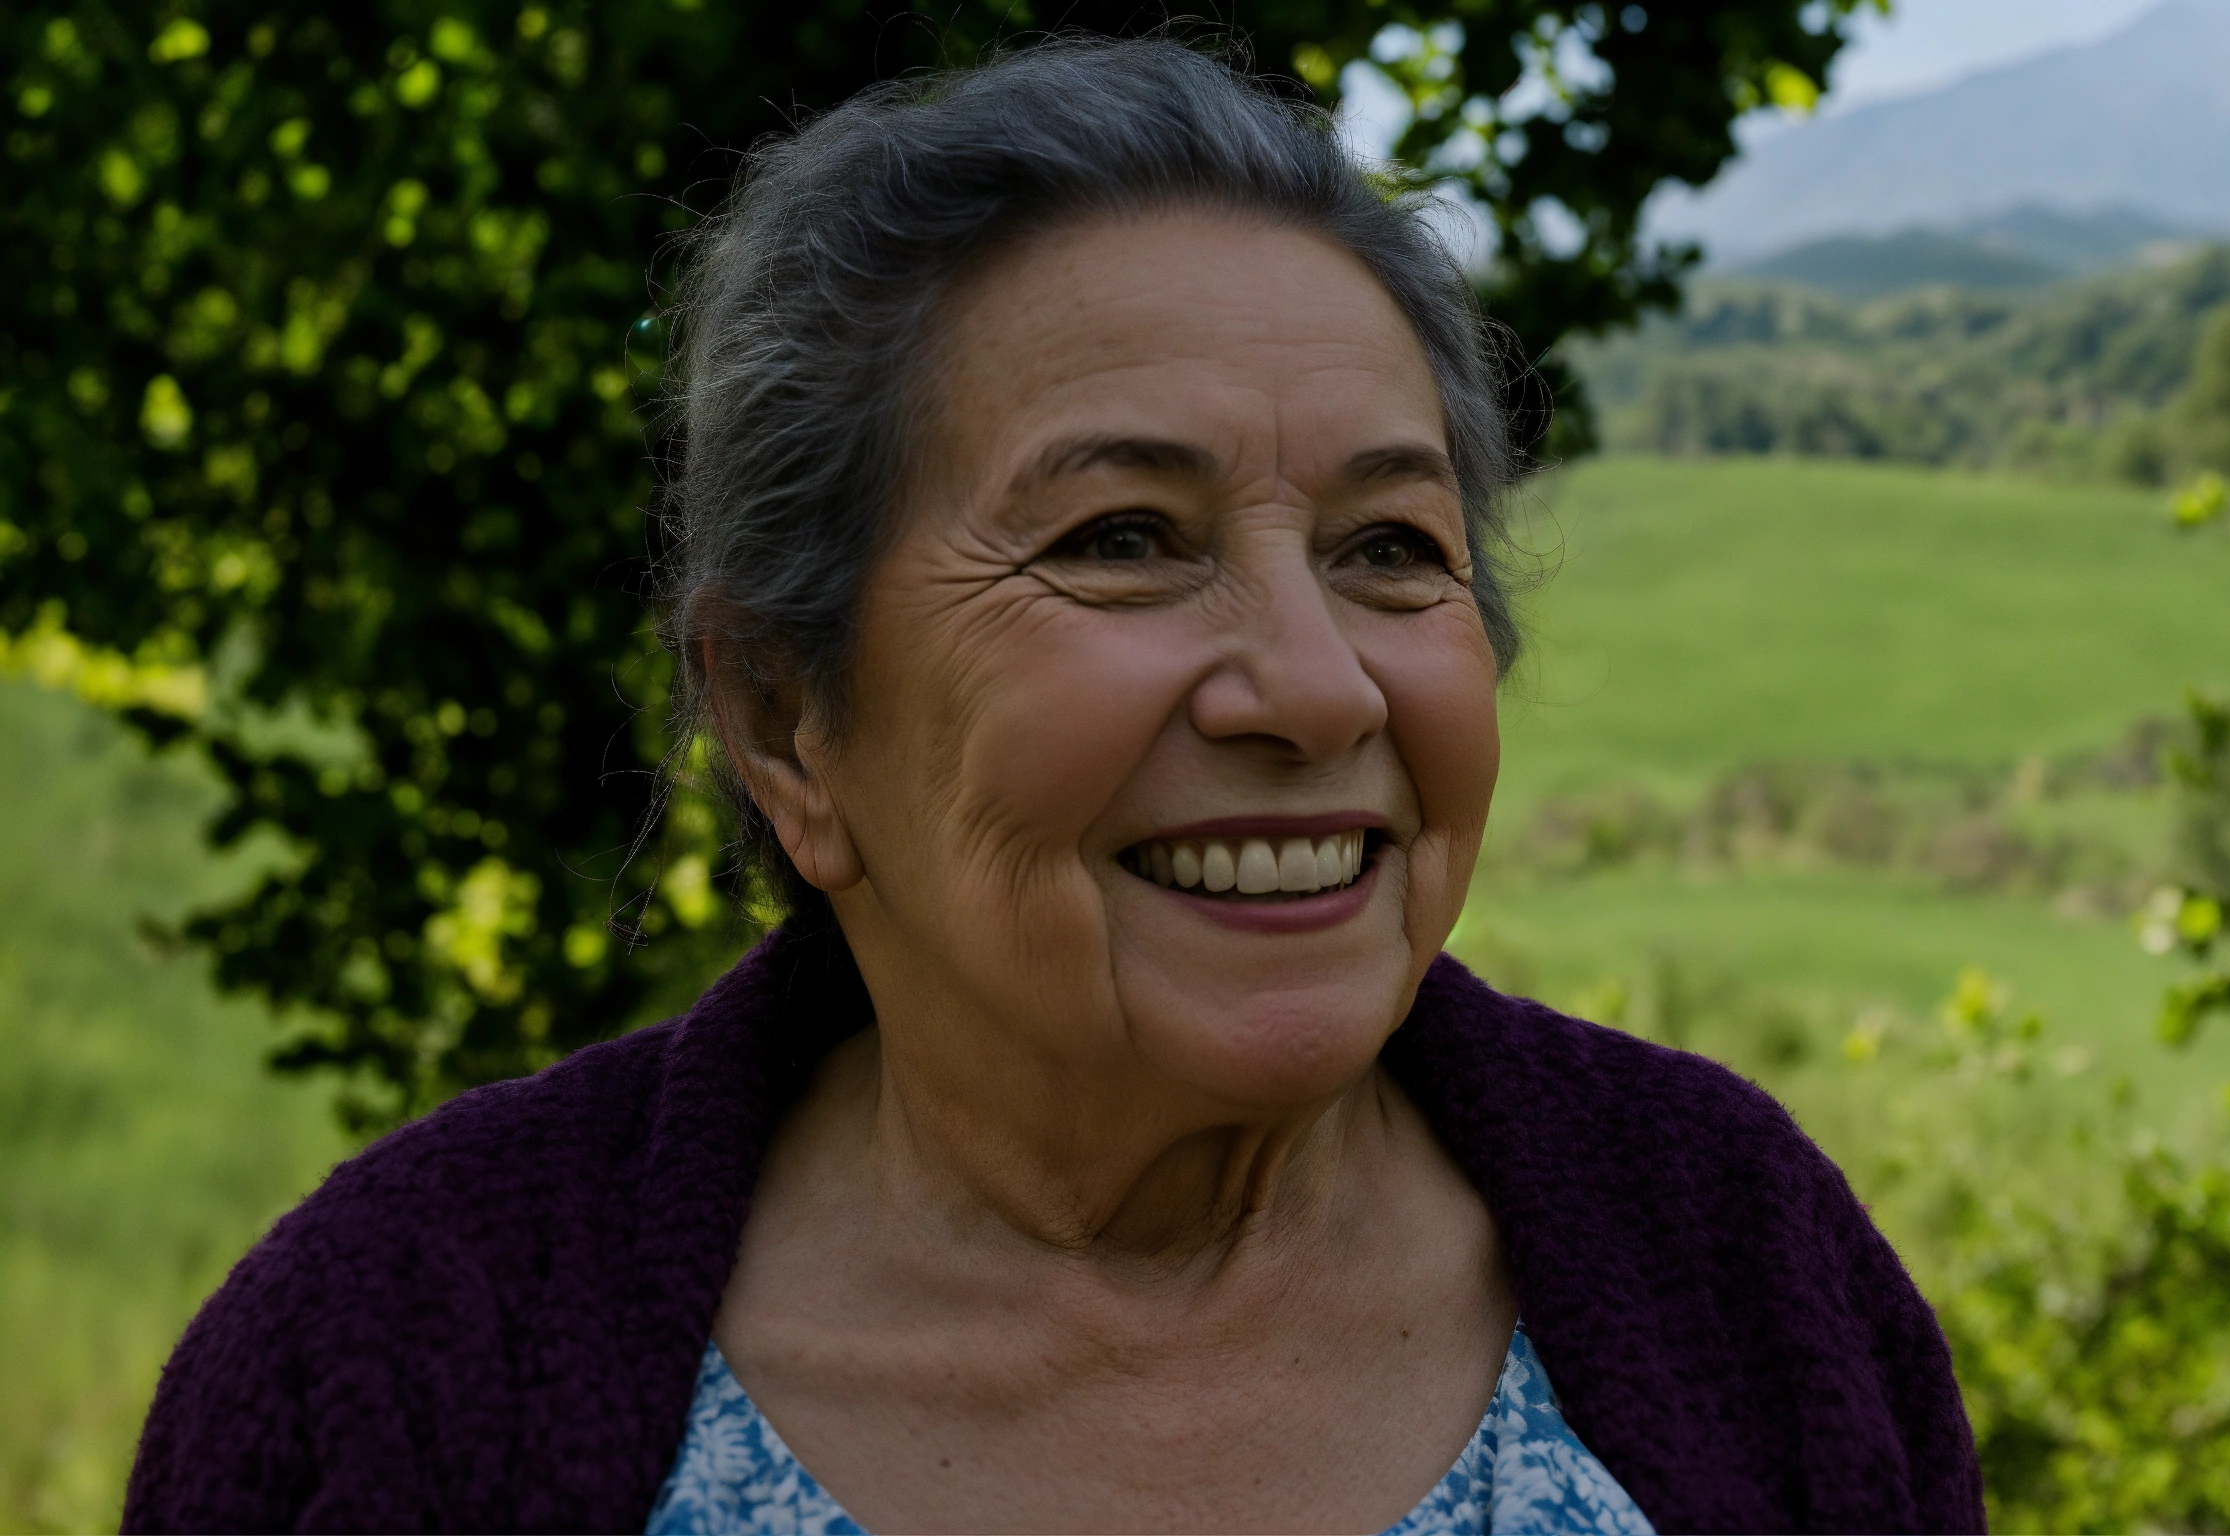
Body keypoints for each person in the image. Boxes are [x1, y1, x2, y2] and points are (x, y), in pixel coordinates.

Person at [123, 38, 1983, 1535]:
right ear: (785, 718)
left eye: (1391, 549)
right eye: (1121, 539)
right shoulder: (393, 1363)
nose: (1316, 684)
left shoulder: (1739, 1260)